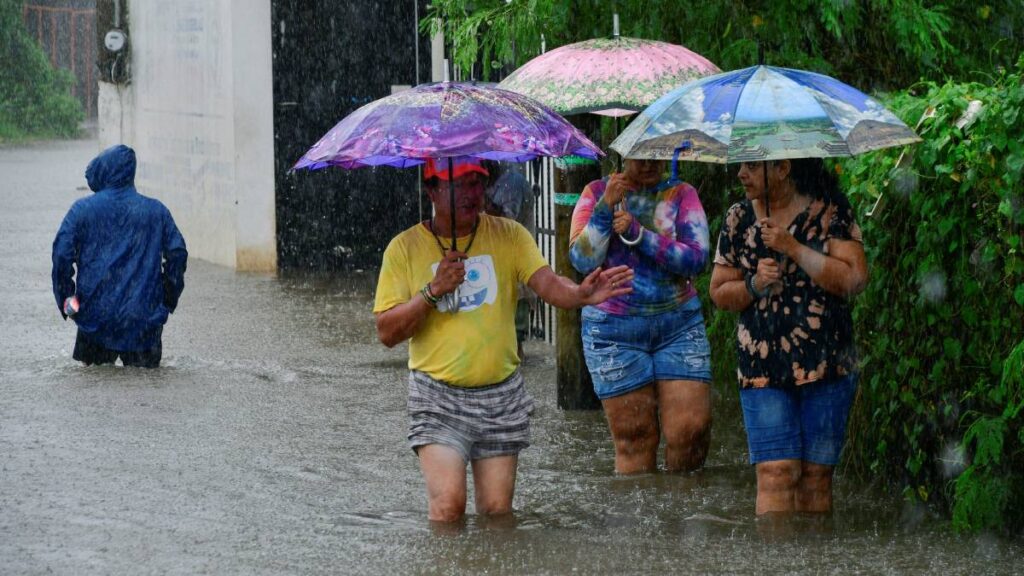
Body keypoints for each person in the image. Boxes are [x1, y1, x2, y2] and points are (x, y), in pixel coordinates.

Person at [374, 158, 633, 523]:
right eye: (458, 184)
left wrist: (580, 294)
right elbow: (386, 332)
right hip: (437, 396)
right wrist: (433, 291)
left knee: (497, 513)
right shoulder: (403, 249)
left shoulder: (508, 235)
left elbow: (546, 282)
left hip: (501, 395)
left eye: (476, 183)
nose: (471, 193)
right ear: (431, 189)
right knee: (448, 507)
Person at [708, 158, 868, 515]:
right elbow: (719, 292)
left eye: (752, 165)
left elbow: (855, 279)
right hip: (761, 367)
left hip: (828, 364)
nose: (741, 174)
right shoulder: (738, 218)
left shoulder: (830, 209)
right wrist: (754, 284)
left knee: (815, 478)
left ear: (782, 168)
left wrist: (793, 248)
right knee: (775, 473)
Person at [568, 158, 713, 474]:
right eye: (640, 156)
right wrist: (606, 207)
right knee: (635, 438)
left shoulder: (680, 194)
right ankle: (640, 520)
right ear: (623, 154)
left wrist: (638, 233)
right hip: (612, 330)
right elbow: (581, 260)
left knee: (690, 432)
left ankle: (685, 515)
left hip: (678, 324)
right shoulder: (595, 192)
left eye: (657, 154)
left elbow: (697, 259)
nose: (650, 163)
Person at [52, 144, 188, 368]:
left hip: (94, 319)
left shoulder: (81, 210)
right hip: (143, 320)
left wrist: (68, 301)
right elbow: (177, 254)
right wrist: (166, 298)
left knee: (92, 392)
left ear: (104, 171)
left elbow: (61, 256)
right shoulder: (156, 212)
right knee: (147, 392)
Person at [482, 161, 536, 358]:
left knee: (517, 299)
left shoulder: (511, 183)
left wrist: (483, 201)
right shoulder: (493, 185)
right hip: (498, 257)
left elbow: (505, 221)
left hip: (516, 254)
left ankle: (515, 348)